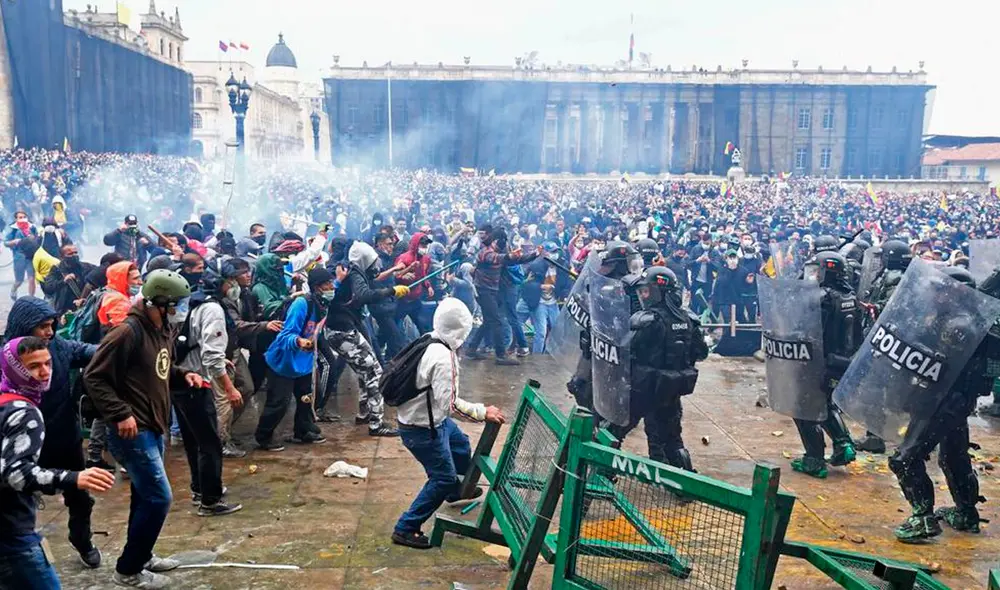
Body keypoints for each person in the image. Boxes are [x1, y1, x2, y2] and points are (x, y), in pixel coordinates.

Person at [84, 269, 204, 589]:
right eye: (178, 303)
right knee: (159, 498)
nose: (183, 308)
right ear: (159, 302)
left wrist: (182, 376)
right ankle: (128, 570)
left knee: (144, 494)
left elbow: (159, 369)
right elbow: (94, 376)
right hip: (131, 430)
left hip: (154, 424)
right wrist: (120, 413)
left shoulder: (162, 327)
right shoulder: (127, 331)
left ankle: (143, 554)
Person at [890, 266, 996, 542]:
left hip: (941, 402)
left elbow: (938, 366)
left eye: (941, 291)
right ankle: (966, 512)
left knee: (906, 458)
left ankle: (922, 519)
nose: (935, 296)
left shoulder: (958, 325)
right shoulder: (963, 319)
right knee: (953, 457)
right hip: (955, 403)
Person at [0, 336, 115, 589]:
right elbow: (15, 474)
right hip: (12, 530)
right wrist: (73, 478)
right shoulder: (23, 412)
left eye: (48, 364)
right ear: (14, 368)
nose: (44, 373)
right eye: (33, 366)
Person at [391, 298, 505, 549]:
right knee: (441, 478)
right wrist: (482, 411)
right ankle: (406, 527)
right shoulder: (443, 357)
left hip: (426, 420)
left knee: (460, 443)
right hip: (423, 429)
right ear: (461, 331)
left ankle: (457, 490)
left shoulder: (430, 338)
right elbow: (450, 405)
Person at [617, 267, 709, 469]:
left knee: (613, 430)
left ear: (660, 292)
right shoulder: (688, 320)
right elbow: (702, 352)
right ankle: (683, 482)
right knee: (672, 438)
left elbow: (625, 350)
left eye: (646, 291)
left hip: (643, 389)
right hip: (671, 389)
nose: (642, 296)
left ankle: (601, 476)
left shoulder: (648, 321)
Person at [172, 271, 244, 516]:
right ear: (222, 286)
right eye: (231, 281)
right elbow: (211, 356)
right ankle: (210, 501)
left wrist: (222, 360)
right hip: (196, 382)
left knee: (193, 440)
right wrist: (229, 387)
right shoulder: (211, 309)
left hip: (178, 379)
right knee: (210, 442)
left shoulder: (191, 303)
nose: (234, 285)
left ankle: (199, 489)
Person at [328, 242, 410, 437]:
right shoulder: (354, 271)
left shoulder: (352, 270)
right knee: (374, 372)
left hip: (342, 329)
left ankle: (364, 413)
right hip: (342, 331)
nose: (375, 266)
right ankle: (376, 424)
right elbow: (365, 295)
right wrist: (391, 291)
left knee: (365, 370)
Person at [790, 252, 860, 478]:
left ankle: (814, 459)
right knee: (828, 403)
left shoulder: (822, 298)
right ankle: (844, 444)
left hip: (817, 362)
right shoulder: (850, 297)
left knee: (803, 409)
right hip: (843, 362)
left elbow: (805, 328)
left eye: (818, 270)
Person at [254, 267, 336, 451]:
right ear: (317, 287)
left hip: (304, 362)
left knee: (306, 398)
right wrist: (298, 341)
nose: (332, 287)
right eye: (327, 284)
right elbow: (285, 335)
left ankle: (303, 430)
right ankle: (264, 436)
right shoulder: (301, 304)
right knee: (279, 402)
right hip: (284, 361)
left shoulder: (323, 305)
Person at [465, 228, 542, 365]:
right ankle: (501, 355)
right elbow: (498, 258)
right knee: (496, 321)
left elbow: (516, 260)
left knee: (489, 321)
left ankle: (471, 349)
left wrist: (534, 254)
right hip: (483, 291)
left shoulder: (499, 253)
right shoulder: (485, 252)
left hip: (491, 291)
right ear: (495, 241)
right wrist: (509, 256)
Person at [522, 242, 572, 354]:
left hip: (553, 302)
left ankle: (548, 355)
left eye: (556, 251)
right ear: (545, 252)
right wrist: (541, 286)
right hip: (540, 302)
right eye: (551, 251)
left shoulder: (562, 266)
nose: (554, 254)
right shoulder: (536, 266)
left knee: (557, 330)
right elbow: (525, 284)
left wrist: (565, 293)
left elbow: (566, 284)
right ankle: (536, 357)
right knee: (541, 333)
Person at [394, 232, 434, 336]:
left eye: (426, 245)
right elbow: (395, 275)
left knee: (422, 326)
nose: (424, 248)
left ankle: (424, 347)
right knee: (393, 326)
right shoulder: (404, 258)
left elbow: (424, 275)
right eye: (422, 245)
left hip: (416, 299)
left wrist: (428, 286)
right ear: (416, 244)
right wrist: (403, 276)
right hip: (402, 299)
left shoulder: (426, 259)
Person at [42, 242, 96, 317]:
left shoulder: (86, 267)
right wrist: (63, 281)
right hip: (66, 309)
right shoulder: (57, 270)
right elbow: (48, 288)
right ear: (62, 257)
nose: (74, 255)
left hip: (87, 305)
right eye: (70, 254)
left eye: (75, 253)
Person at [5, 210, 39, 300]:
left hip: (30, 257)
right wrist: (14, 242)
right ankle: (14, 289)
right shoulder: (13, 229)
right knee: (19, 281)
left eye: (24, 217)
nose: (23, 219)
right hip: (19, 257)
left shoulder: (32, 228)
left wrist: (34, 239)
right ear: (16, 219)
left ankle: (31, 299)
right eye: (20, 217)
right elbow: (6, 242)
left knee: (31, 279)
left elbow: (38, 238)